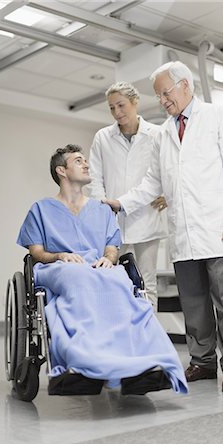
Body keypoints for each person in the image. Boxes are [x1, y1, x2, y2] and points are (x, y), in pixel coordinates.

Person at [104, 62, 223, 393]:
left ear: (186, 86)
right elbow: (152, 182)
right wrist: (121, 202)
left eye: (165, 92)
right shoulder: (164, 133)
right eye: (158, 95)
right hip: (183, 232)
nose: (162, 100)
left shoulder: (216, 117)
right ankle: (202, 361)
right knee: (194, 299)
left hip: (216, 227)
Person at [17, 144, 188, 396]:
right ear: (61, 171)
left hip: (97, 268)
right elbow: (37, 252)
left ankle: (141, 364)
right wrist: (60, 255)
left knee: (118, 279)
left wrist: (109, 259)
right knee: (78, 278)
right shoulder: (41, 209)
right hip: (58, 268)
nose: (86, 164)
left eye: (86, 160)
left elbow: (111, 247)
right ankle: (83, 361)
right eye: (78, 161)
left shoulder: (101, 209)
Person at [88, 81, 167, 312]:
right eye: (112, 108)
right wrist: (101, 206)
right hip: (112, 220)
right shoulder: (103, 137)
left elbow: (168, 172)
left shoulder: (157, 134)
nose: (117, 112)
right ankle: (120, 334)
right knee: (112, 280)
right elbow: (95, 177)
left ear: (135, 102)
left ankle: (149, 337)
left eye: (121, 105)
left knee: (147, 282)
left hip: (147, 217)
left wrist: (167, 195)